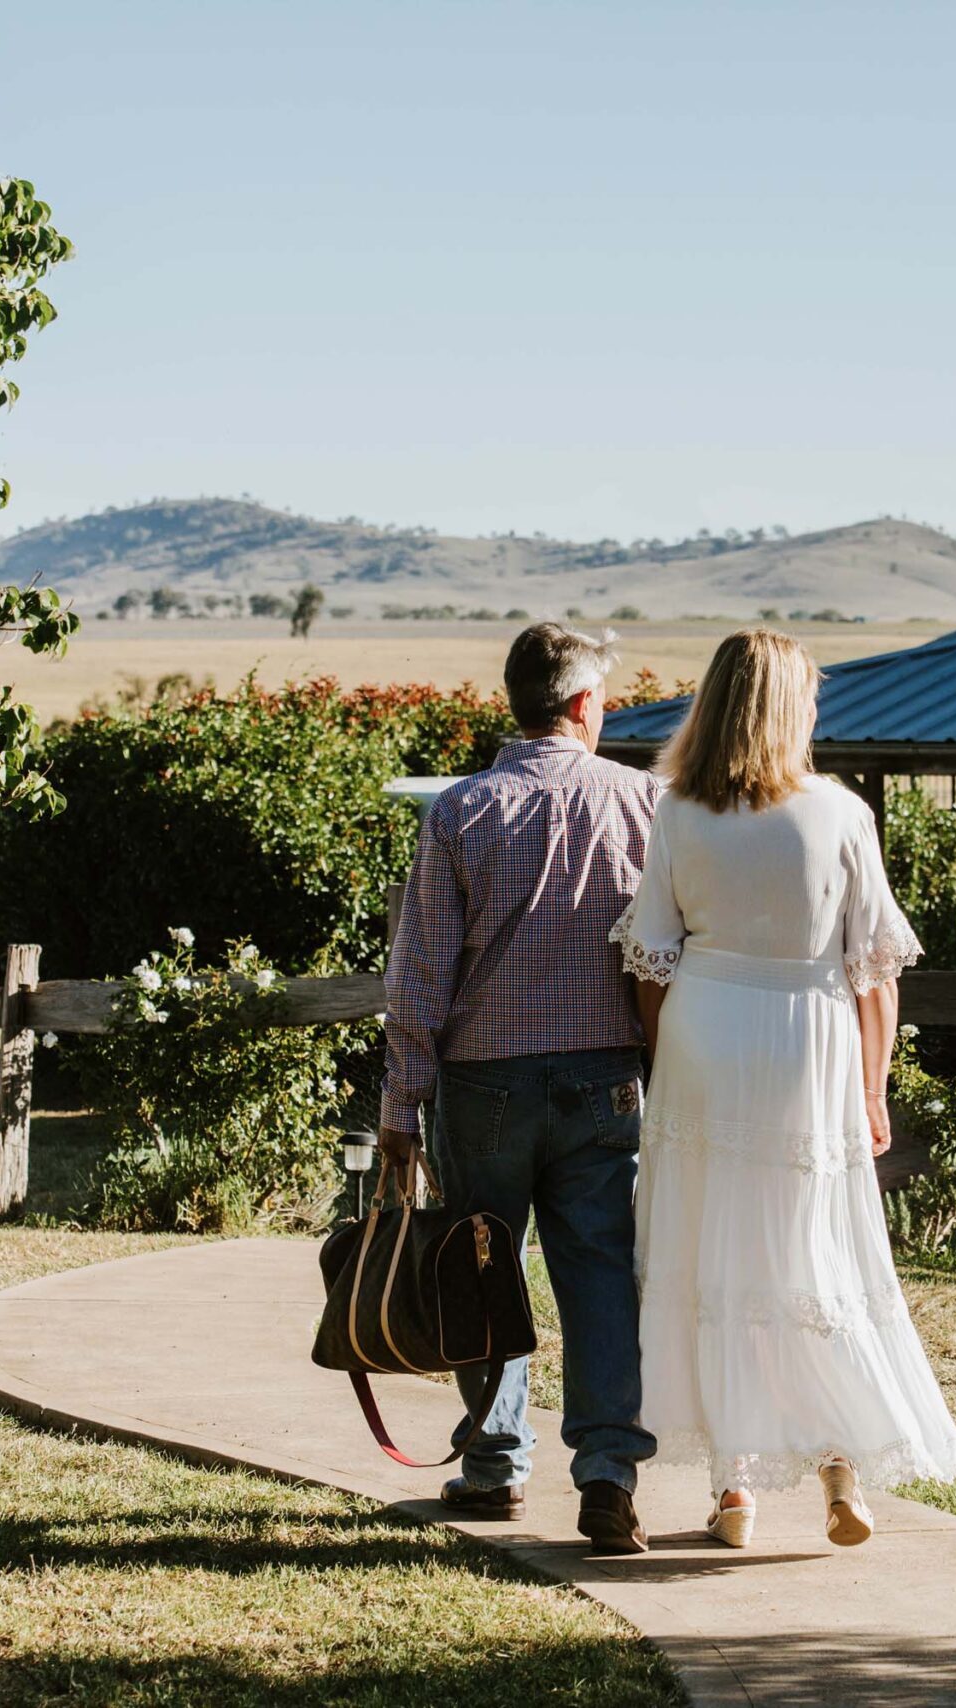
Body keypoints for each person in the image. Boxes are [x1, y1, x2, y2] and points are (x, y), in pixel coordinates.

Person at [611, 627, 956, 1549]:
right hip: (807, 1042)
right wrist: (874, 1088)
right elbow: (875, 972)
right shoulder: (839, 812)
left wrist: (668, 1062)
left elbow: (651, 960)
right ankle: (839, 1469)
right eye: (808, 694)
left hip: (704, 1033)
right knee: (809, 1250)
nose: (817, 709)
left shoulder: (678, 813)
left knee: (711, 1251)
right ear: (784, 707)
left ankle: (734, 1492)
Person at [381, 621, 661, 1555]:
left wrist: (399, 1111)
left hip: (482, 1083)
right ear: (585, 705)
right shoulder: (643, 803)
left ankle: (496, 1464)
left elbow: (419, 977)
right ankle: (609, 1474)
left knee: (482, 1265)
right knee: (599, 1271)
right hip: (603, 1077)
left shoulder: (458, 812)